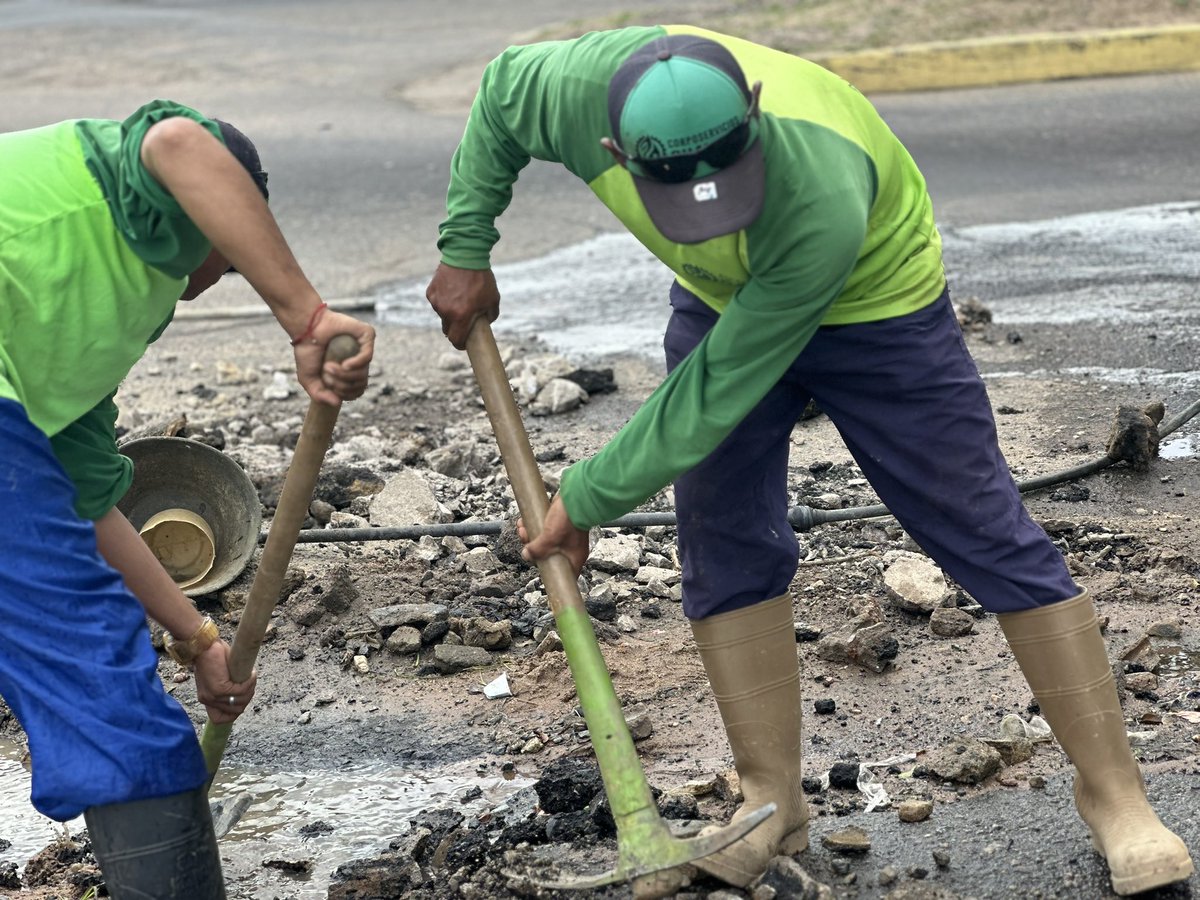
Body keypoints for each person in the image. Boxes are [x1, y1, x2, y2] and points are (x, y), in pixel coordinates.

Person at [426, 25, 1195, 895]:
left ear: (753, 113)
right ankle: (772, 805)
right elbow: (494, 98)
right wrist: (465, 244)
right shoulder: (559, 88)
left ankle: (1119, 799)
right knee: (722, 538)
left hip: (875, 305)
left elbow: (719, 386)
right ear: (612, 150)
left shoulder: (820, 185)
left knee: (978, 524)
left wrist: (587, 496)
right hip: (723, 301)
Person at [0, 99, 375, 899]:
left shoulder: (74, 323)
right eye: (231, 257)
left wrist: (200, 638)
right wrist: (303, 315)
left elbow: (88, 506)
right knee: (107, 693)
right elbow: (178, 141)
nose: (214, 282)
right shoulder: (140, 202)